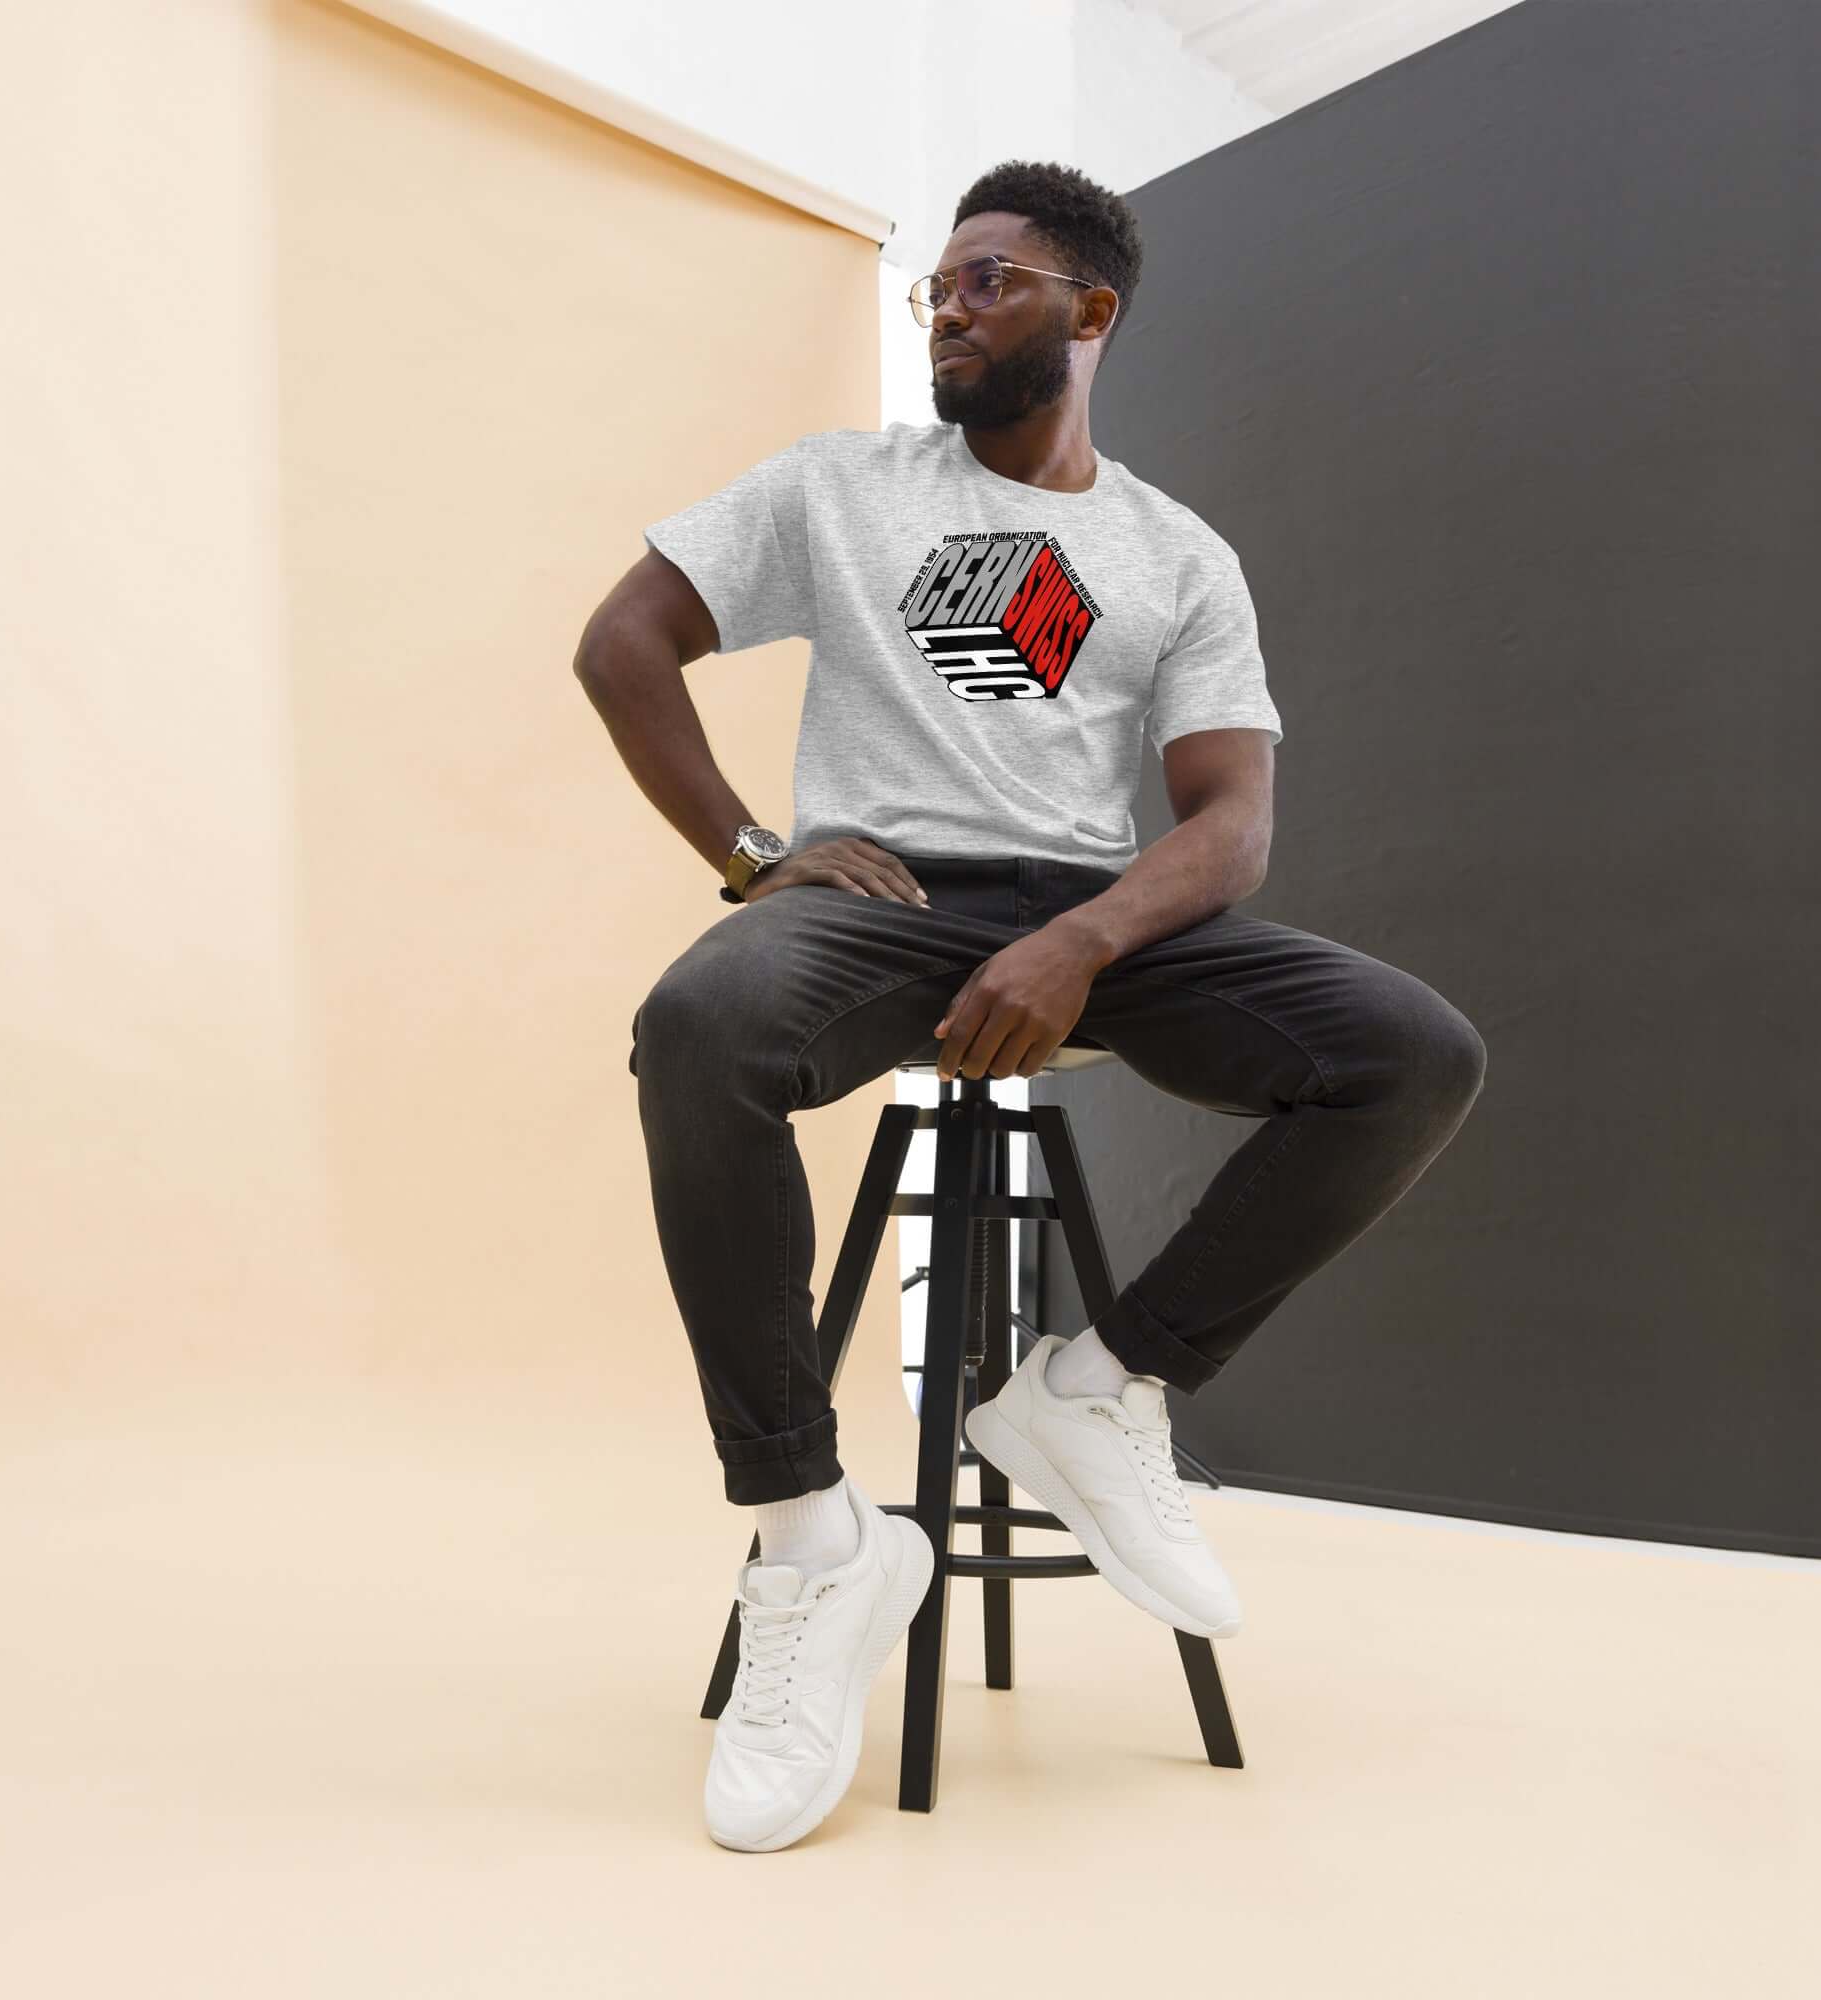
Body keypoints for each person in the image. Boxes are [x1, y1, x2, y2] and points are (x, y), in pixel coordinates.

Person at [575, 160, 1487, 1851]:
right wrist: (758, 852)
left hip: (1094, 913)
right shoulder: (839, 488)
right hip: (884, 903)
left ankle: (1096, 1388)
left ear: (1090, 311)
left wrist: (1081, 944)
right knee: (698, 1029)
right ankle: (812, 1540)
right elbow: (622, 641)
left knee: (1411, 1054)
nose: (948, 304)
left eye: (988, 281)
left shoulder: (1172, 554)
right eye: (937, 283)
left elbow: (1230, 824)